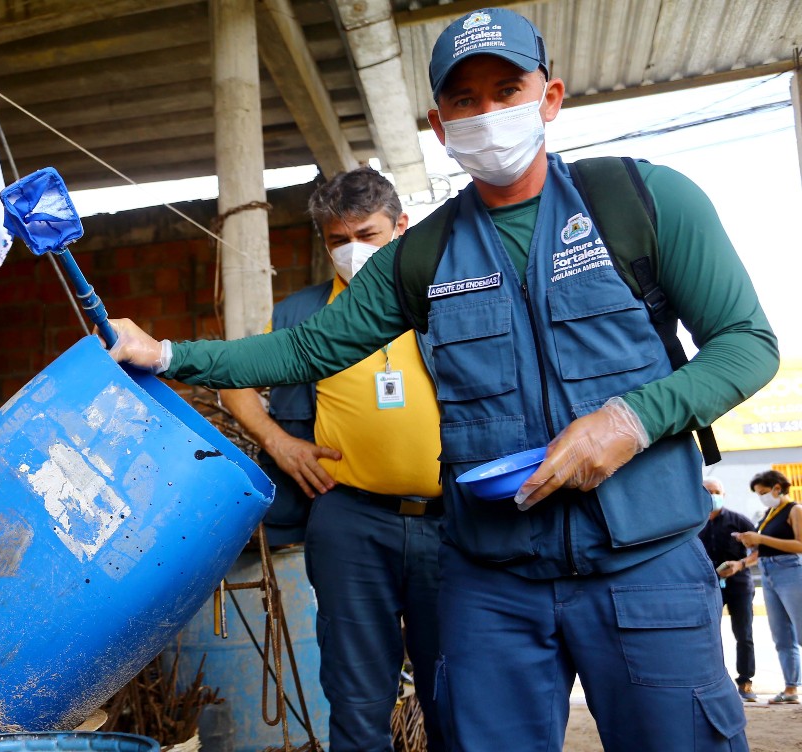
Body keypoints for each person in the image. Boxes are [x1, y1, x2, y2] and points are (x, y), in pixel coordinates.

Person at [104, 7, 779, 750]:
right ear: (439, 124)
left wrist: (631, 420)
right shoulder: (421, 257)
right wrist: (167, 353)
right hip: (496, 581)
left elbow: (746, 345)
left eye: (506, 89)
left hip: (644, 564)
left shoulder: (642, 203)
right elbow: (305, 352)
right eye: (465, 100)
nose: (488, 113)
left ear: (549, 98)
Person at [219, 167, 444, 752]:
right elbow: (235, 385)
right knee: (355, 692)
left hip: (452, 520)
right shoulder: (303, 315)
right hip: (349, 520)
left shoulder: (442, 300)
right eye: (338, 240)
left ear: (402, 227)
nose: (353, 251)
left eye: (367, 235)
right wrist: (280, 442)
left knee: (459, 687)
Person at [726, 470, 802, 705]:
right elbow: (763, 550)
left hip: (790, 570)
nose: (762, 497)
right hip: (769, 572)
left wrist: (761, 539)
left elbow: (799, 544)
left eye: (764, 492)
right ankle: (791, 688)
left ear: (778, 487)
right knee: (782, 636)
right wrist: (742, 562)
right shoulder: (770, 513)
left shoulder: (794, 510)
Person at [698, 477, 757, 701]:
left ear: (724, 494)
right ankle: (713, 682)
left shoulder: (739, 521)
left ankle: (745, 682)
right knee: (708, 634)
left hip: (739, 585)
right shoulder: (693, 524)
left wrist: (740, 564)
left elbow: (760, 550)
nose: (713, 496)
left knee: (744, 634)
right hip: (706, 585)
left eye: (717, 492)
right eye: (708, 491)